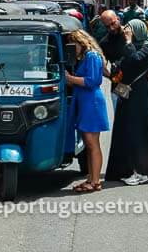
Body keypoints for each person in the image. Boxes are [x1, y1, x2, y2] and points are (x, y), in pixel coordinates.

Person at [105, 20, 148, 185]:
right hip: (125, 91)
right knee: (124, 129)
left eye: (129, 28)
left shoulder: (146, 46)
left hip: (139, 92)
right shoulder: (127, 44)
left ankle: (143, 171)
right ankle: (125, 169)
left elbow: (136, 60)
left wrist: (129, 42)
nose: (126, 31)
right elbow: (124, 63)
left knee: (139, 130)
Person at [65, 29, 111, 193]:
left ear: (80, 42)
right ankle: (92, 178)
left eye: (73, 44)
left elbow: (93, 80)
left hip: (91, 102)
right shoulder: (88, 56)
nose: (72, 48)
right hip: (86, 102)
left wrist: (70, 78)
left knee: (92, 144)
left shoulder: (91, 56)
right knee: (89, 144)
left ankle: (95, 180)